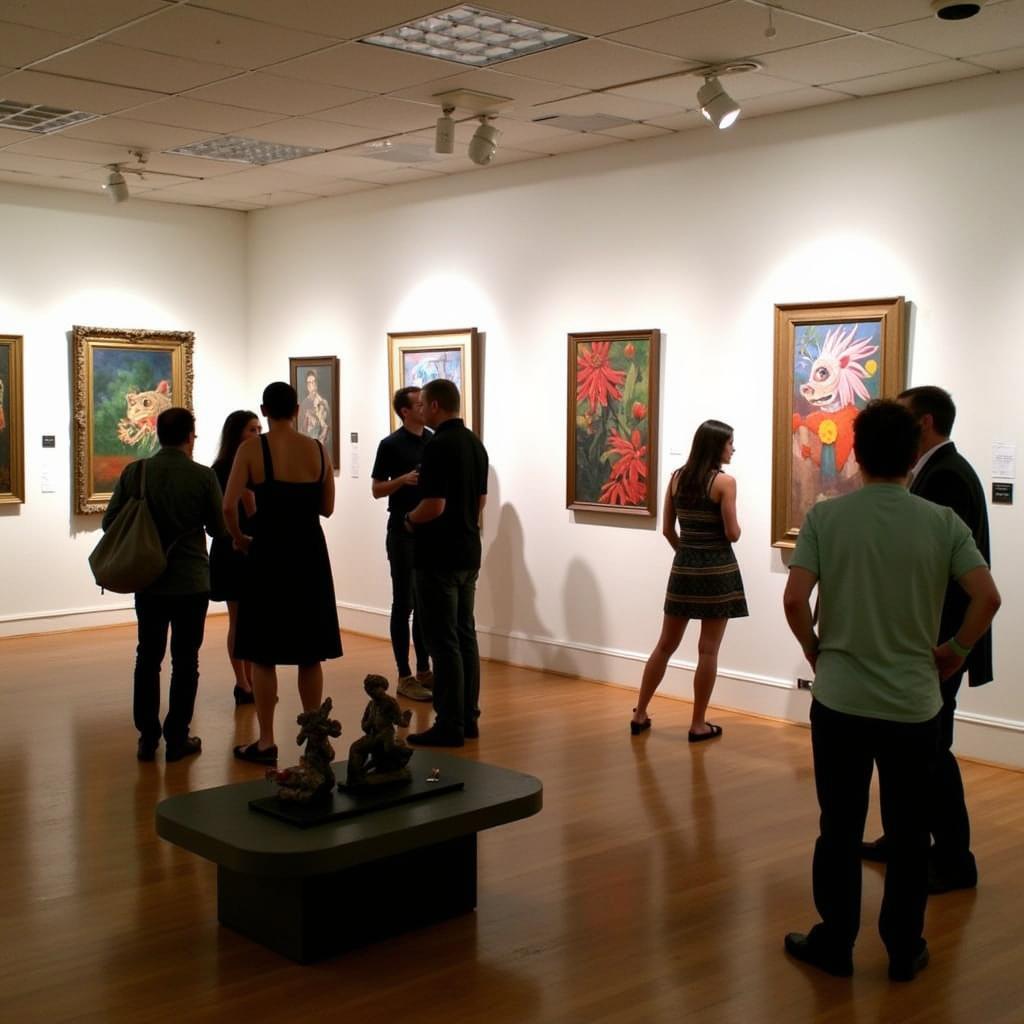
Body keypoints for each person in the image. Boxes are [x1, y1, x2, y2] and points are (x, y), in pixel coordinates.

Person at [782, 399, 1000, 982]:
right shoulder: (941, 523)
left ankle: (837, 943)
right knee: (908, 835)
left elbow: (793, 598)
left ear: (856, 453)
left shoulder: (828, 518)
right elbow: (988, 597)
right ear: (911, 456)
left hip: (842, 700)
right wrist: (954, 650)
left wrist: (814, 647)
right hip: (913, 705)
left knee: (840, 828)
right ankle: (904, 948)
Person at [862, 386, 993, 893]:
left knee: (933, 753)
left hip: (940, 644)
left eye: (906, 419)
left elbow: (955, 579)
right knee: (921, 751)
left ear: (927, 423)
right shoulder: (942, 473)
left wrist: (953, 648)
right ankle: (903, 840)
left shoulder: (947, 478)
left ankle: (955, 859)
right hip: (937, 641)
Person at [225, 382, 342, 766]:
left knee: (263, 653)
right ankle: (313, 739)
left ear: (264, 409)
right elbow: (326, 508)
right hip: (308, 552)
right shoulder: (318, 450)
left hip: (269, 551)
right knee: (310, 654)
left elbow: (228, 506)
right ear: (296, 409)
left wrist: (241, 537)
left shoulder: (251, 449)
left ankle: (266, 740)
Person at [102, 407, 225, 762]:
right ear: (190, 436)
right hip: (190, 581)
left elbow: (111, 522)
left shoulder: (137, 472)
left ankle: (147, 737)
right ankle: (177, 737)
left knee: (148, 657)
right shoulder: (203, 477)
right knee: (186, 660)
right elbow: (218, 530)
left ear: (158, 435)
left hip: (149, 579)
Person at [630, 420, 747, 741]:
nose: (733, 449)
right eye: (729, 443)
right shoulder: (725, 483)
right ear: (715, 447)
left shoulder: (677, 479)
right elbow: (732, 533)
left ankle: (639, 713)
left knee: (665, 645)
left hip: (684, 568)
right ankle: (697, 723)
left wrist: (688, 552)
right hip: (718, 571)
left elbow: (668, 529)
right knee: (708, 650)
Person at [403, 378, 488, 747]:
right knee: (465, 634)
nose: (419, 410)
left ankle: (449, 723)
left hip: (439, 555)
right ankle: (469, 717)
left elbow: (433, 505)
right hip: (469, 551)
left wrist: (408, 519)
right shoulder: (475, 444)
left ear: (435, 406)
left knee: (443, 640)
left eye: (422, 404)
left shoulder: (438, 446)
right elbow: (480, 501)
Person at [371, 387, 434, 701]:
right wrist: (402, 480)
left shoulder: (432, 440)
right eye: (419, 404)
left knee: (423, 602)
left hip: (428, 529)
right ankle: (404, 674)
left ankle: (424, 669)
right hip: (401, 529)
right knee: (403, 603)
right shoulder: (390, 445)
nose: (424, 407)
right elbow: (377, 489)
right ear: (405, 411)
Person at [209, 409, 261, 706]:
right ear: (236, 434)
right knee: (238, 618)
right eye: (251, 430)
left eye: (258, 429)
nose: (256, 434)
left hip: (254, 547)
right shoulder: (219, 470)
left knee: (252, 619)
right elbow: (218, 517)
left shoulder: (259, 467)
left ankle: (252, 679)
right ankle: (242, 681)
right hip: (231, 548)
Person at [298, 369, 330, 449]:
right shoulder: (303, 405)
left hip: (321, 445)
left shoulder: (323, 403)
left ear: (317, 384)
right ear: (307, 386)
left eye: (313, 382)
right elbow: (301, 430)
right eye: (309, 383)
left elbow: (328, 428)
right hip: (308, 445)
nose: (311, 385)